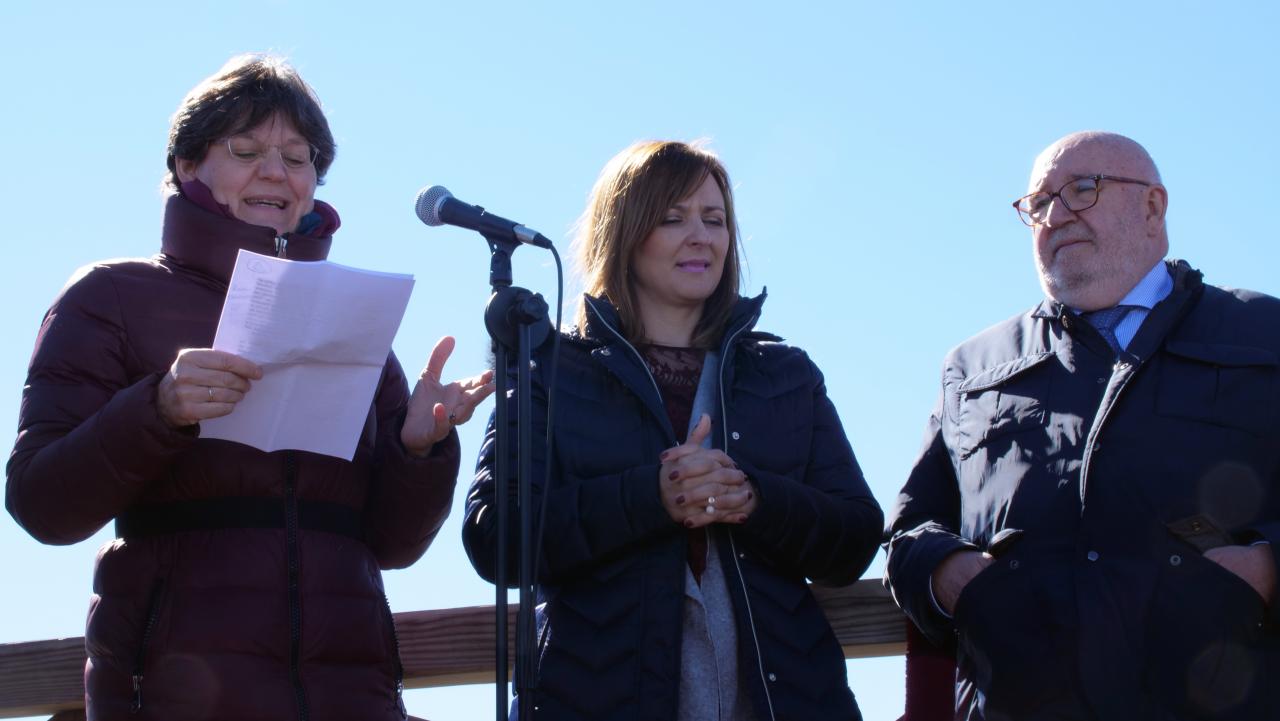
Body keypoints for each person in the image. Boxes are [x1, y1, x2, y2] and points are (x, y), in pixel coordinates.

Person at [5, 54, 494, 721]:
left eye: (298, 157)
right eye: (246, 149)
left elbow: (392, 545)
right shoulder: (109, 298)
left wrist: (419, 449)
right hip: (176, 698)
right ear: (186, 165)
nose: (275, 172)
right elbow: (41, 502)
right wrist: (158, 408)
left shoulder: (353, 313)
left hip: (352, 700)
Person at [462, 140, 884, 721]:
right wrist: (650, 497)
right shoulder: (550, 369)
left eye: (715, 220)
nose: (701, 236)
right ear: (625, 232)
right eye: (672, 217)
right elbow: (496, 538)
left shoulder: (785, 375)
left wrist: (753, 497)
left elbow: (856, 537)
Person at [884, 131, 1280, 720]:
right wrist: (950, 575)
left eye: (1083, 189)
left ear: (1153, 207)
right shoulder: (973, 368)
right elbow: (911, 530)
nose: (1055, 215)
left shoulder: (1262, 333)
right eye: (1038, 204)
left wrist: (1266, 569)